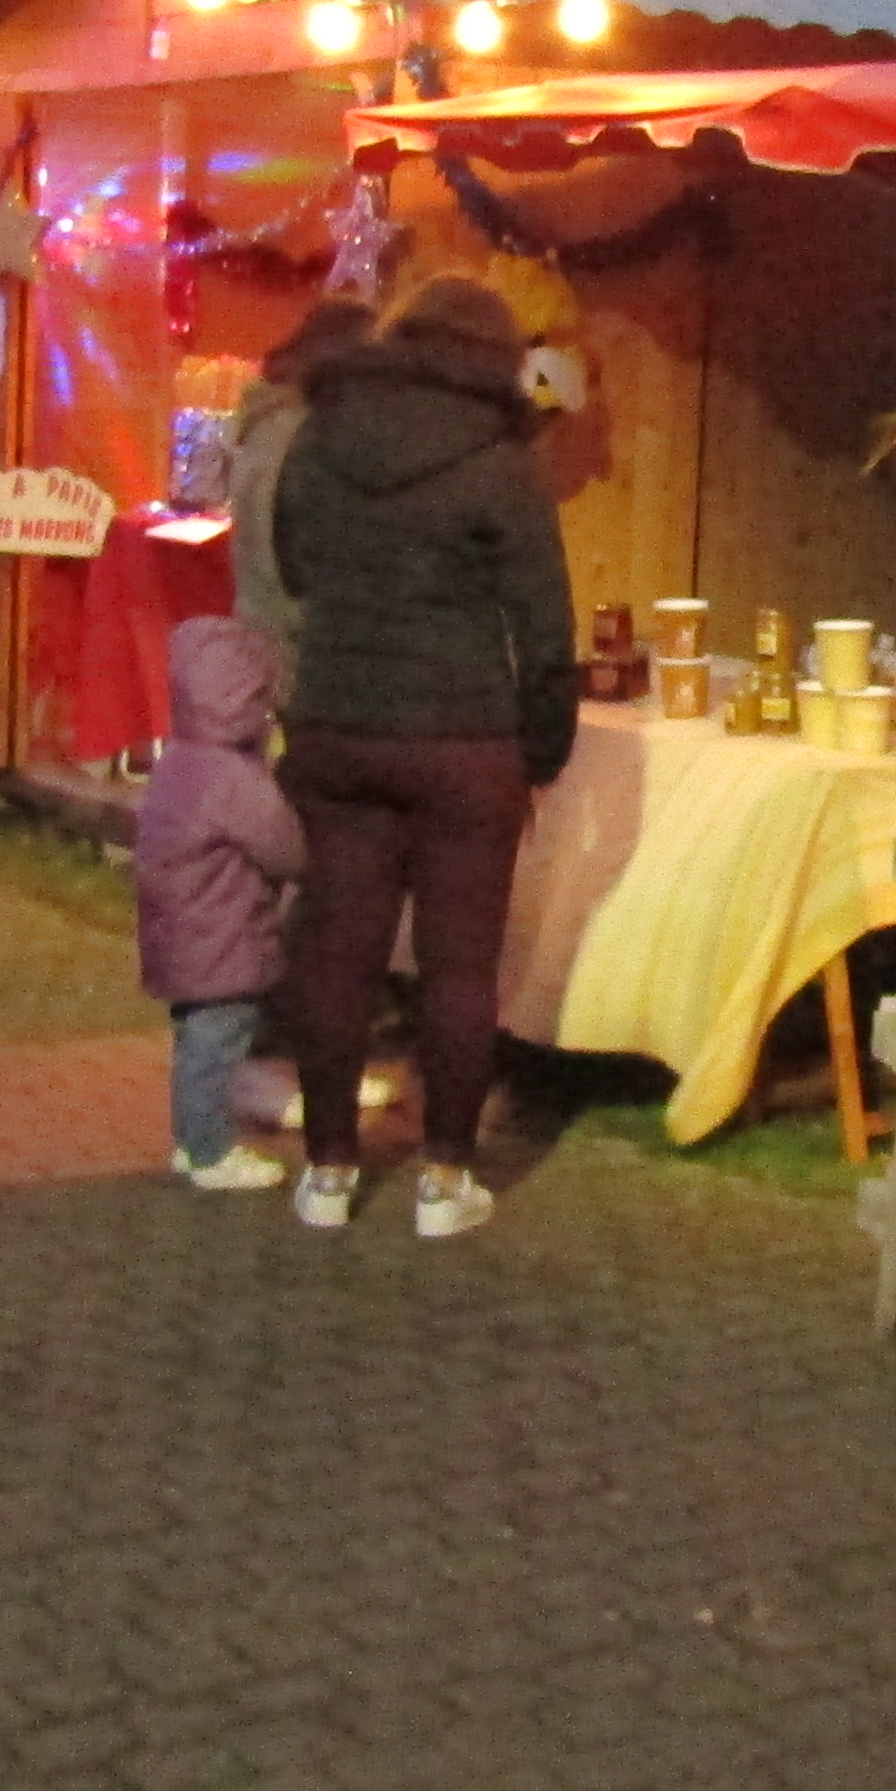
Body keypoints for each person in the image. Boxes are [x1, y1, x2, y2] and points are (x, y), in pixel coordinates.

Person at [269, 277, 579, 1238]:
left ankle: (327, 1171)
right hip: (463, 741)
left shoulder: (320, 432)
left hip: (337, 723)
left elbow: (291, 564)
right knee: (460, 968)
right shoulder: (502, 461)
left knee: (337, 954)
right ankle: (445, 1179)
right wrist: (542, 753)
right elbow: (545, 630)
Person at [140, 615, 309, 1191]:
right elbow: (285, 849)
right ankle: (210, 1151)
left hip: (179, 932)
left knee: (196, 1041)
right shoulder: (235, 777)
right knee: (216, 1042)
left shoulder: (179, 759)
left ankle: (193, 1140)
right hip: (225, 936)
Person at [227, 296, 376, 642]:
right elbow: (300, 568)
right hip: (294, 646)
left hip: (259, 630)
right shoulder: (308, 437)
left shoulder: (267, 420)